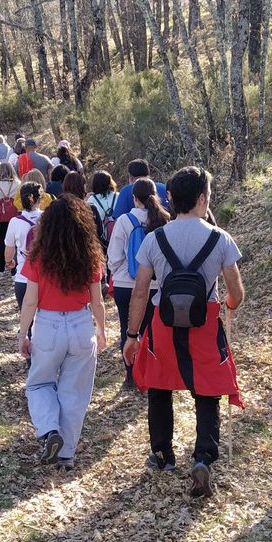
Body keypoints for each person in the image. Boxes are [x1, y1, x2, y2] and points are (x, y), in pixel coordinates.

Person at [123, 167, 244, 498]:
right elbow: (236, 292)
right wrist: (229, 304)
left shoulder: (154, 239)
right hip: (204, 324)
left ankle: (163, 454)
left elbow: (140, 292)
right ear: (202, 199)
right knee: (207, 390)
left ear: (171, 199)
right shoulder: (220, 239)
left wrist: (132, 335)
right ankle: (203, 456)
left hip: (163, 325)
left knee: (160, 387)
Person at [17, 195, 108, 471]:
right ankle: (66, 454)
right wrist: (102, 330)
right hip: (81, 324)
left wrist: (23, 333)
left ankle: (49, 430)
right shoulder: (90, 258)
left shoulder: (39, 258)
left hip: (48, 325)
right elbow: (98, 301)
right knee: (75, 392)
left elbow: (30, 301)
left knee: (39, 384)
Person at [107, 177, 169, 388]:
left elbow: (114, 256)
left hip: (126, 284)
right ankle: (152, 373)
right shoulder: (164, 220)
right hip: (154, 285)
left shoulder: (124, 221)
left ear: (134, 198)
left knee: (127, 329)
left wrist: (118, 272)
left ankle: (131, 375)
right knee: (152, 331)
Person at [6, 181, 44, 310]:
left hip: (23, 277)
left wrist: (9, 261)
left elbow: (9, 250)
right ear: (41, 199)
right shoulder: (48, 218)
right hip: (45, 278)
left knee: (26, 317)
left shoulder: (15, 222)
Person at [84, 170, 119, 250]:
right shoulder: (118, 196)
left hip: (101, 240)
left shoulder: (92, 200)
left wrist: (85, 199)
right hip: (117, 235)